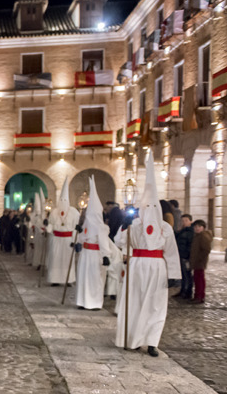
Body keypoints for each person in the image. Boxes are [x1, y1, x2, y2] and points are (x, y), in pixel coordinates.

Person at [115, 151, 180, 357]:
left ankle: (152, 341)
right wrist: (123, 227)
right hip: (137, 265)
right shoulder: (134, 225)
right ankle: (133, 338)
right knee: (135, 302)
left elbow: (171, 252)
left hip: (158, 268)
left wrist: (174, 275)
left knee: (156, 304)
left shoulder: (165, 228)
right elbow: (119, 242)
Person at [74, 177, 121, 310]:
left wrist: (106, 255)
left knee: (95, 279)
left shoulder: (101, 227)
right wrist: (79, 234)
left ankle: (94, 302)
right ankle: (83, 300)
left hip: (96, 255)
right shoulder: (87, 225)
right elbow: (83, 238)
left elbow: (104, 242)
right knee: (84, 278)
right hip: (85, 255)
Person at [47, 178, 79, 286]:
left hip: (68, 240)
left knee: (67, 260)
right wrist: (48, 227)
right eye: (61, 200)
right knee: (55, 259)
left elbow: (75, 227)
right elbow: (51, 225)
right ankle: (55, 279)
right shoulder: (54, 212)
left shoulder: (74, 212)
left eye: (65, 200)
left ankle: (68, 280)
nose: (63, 203)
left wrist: (75, 238)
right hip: (56, 239)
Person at [190, 220, 212, 304]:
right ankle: (198, 295)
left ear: (203, 227)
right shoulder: (198, 236)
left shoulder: (203, 236)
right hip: (197, 261)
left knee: (199, 279)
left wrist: (199, 259)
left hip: (199, 262)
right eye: (195, 227)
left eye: (199, 226)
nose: (197, 228)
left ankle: (199, 296)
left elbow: (206, 249)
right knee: (197, 278)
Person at [176, 214, 194, 300]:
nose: (184, 222)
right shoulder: (182, 231)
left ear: (190, 221)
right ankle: (182, 290)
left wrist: (187, 255)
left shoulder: (190, 232)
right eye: (182, 221)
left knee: (187, 275)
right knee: (183, 274)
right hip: (181, 255)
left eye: (186, 220)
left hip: (186, 256)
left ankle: (188, 292)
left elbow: (190, 245)